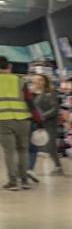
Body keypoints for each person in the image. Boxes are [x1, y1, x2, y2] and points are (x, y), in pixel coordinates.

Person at [0, 56, 33, 190]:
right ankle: (24, 181)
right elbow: (30, 101)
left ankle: (13, 182)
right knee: (23, 151)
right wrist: (38, 119)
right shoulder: (20, 81)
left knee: (9, 152)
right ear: (10, 67)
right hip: (23, 119)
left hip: (3, 120)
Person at [25, 74, 60, 181]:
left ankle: (58, 166)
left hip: (49, 123)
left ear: (45, 82)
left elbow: (54, 109)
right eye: (35, 80)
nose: (37, 82)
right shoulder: (32, 93)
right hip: (37, 123)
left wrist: (43, 116)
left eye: (40, 80)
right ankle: (29, 168)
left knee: (50, 146)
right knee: (35, 146)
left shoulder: (50, 93)